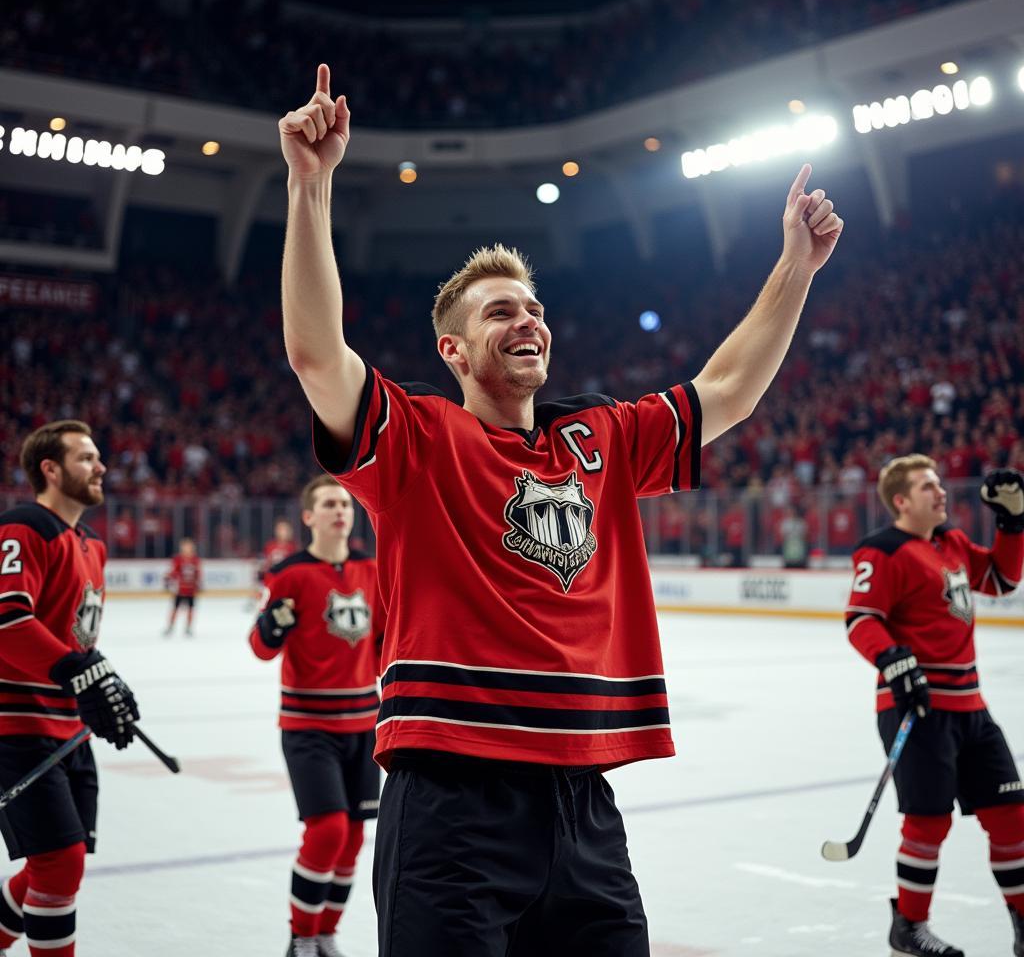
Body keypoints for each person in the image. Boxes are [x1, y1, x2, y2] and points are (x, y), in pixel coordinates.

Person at [278, 63, 844, 957]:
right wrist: (311, 188)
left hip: (585, 808)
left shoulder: (601, 440)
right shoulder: (419, 436)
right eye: (502, 311)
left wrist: (795, 269)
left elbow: (725, 389)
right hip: (450, 803)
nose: (529, 320)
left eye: (536, 307)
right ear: (454, 349)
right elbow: (318, 356)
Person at [843, 456, 1024, 957]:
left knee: (1011, 814)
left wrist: (1011, 524)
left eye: (940, 484)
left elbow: (1004, 581)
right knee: (929, 821)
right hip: (915, 708)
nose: (941, 492)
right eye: (928, 486)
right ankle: (909, 926)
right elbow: (860, 618)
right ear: (901, 500)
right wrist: (894, 659)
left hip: (972, 707)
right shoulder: (881, 551)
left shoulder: (954, 543)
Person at [0, 421, 140, 957]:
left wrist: (98, 674)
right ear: (50, 470)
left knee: (55, 860)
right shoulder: (24, 528)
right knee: (60, 863)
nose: (101, 466)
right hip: (19, 725)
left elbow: (74, 639)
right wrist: (77, 671)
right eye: (85, 458)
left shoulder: (92, 546)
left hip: (67, 731)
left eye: (99, 457)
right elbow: (9, 620)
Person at [248, 475, 382, 957]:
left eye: (344, 503)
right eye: (328, 503)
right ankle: (301, 937)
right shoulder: (288, 574)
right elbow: (261, 649)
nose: (340, 510)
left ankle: (326, 933)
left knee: (352, 840)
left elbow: (385, 640)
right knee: (327, 831)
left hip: (366, 723)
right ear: (309, 517)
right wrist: (270, 627)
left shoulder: (372, 567)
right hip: (309, 725)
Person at [250, 517, 298, 611]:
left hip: (285, 576)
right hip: (273, 576)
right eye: (280, 529)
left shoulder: (292, 546)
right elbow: (267, 562)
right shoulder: (270, 545)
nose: (283, 532)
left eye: (285, 529)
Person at [164, 537, 202, 637]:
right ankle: (170, 627)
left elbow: (198, 573)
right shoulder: (178, 559)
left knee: (191, 609)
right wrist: (169, 578)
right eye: (185, 547)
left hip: (191, 589)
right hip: (180, 589)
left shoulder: (195, 560)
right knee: (175, 608)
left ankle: (188, 628)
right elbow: (174, 572)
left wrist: (198, 583)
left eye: (189, 547)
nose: (187, 549)